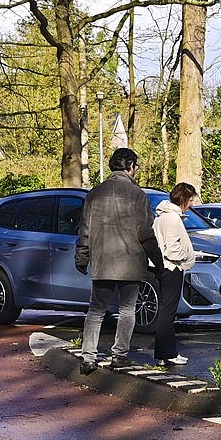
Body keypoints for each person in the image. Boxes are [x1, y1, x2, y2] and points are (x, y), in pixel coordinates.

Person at [75, 148, 154, 369]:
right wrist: (157, 259)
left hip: (103, 261)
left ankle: (88, 357)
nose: (136, 171)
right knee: (127, 310)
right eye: (135, 167)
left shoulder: (95, 193)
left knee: (96, 310)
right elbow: (146, 232)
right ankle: (119, 355)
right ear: (130, 167)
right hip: (130, 262)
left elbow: (85, 230)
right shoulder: (138, 195)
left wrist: (82, 257)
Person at [152, 183, 199, 367]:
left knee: (166, 310)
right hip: (171, 267)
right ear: (184, 199)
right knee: (168, 311)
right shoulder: (172, 218)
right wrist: (186, 256)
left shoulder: (162, 216)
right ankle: (168, 353)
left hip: (164, 267)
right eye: (190, 199)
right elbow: (171, 249)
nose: (192, 203)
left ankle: (165, 353)